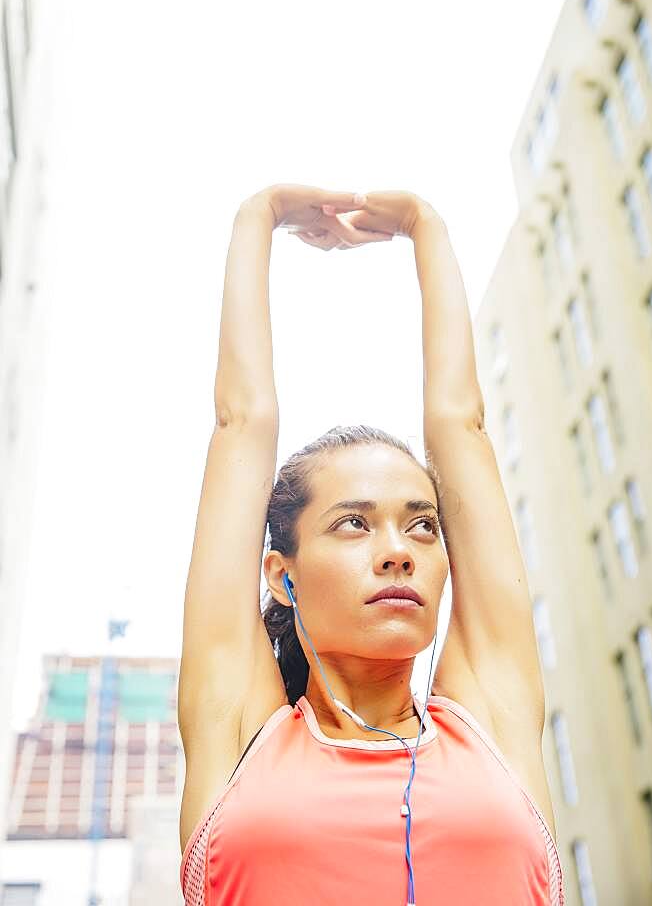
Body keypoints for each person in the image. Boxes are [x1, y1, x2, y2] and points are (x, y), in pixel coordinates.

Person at [177, 185, 564, 905]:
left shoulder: (492, 720)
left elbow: (461, 425)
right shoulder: (241, 735)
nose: (400, 550)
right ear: (281, 576)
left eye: (422, 523)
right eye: (353, 524)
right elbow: (241, 421)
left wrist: (427, 228)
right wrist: (257, 216)